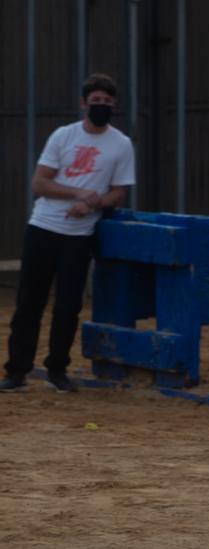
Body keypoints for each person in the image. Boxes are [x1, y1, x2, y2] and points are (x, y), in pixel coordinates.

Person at [1, 74, 135, 394]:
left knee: (68, 305)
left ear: (114, 104)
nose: (101, 106)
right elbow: (40, 183)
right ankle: (17, 370)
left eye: (106, 102)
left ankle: (57, 368)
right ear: (83, 103)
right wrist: (80, 194)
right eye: (95, 101)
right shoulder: (64, 136)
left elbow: (118, 193)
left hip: (80, 234)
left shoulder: (121, 144)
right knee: (29, 302)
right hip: (44, 227)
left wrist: (92, 205)